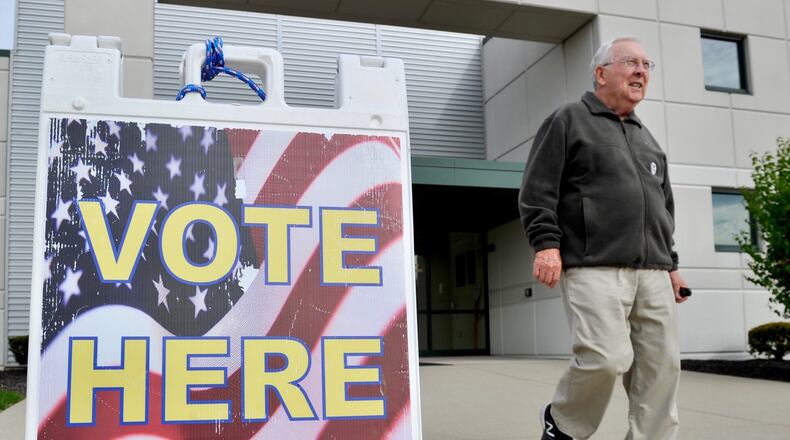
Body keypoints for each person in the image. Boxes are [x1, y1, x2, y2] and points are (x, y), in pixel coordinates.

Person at [518, 36, 690, 440]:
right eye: (631, 62)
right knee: (604, 358)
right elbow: (537, 189)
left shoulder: (647, 138)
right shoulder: (569, 119)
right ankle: (563, 425)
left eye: (647, 65)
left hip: (653, 271)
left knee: (662, 367)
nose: (641, 71)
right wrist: (546, 244)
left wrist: (671, 265)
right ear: (600, 73)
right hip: (593, 264)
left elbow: (662, 209)